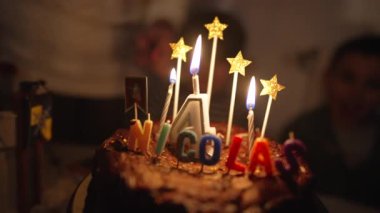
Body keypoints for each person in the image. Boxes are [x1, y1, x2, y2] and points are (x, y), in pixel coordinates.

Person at [281, 35, 380, 208]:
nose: (356, 94)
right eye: (348, 78)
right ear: (328, 78)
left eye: (372, 84)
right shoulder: (300, 132)